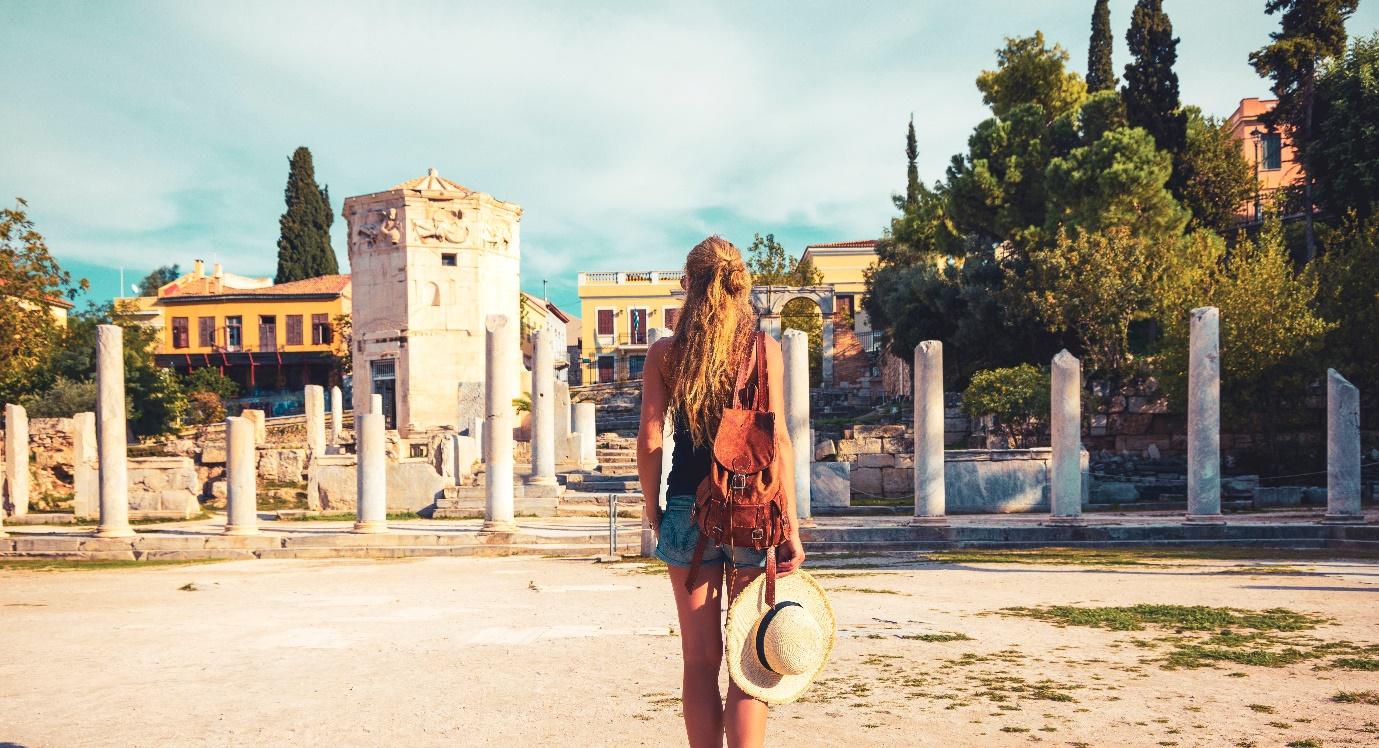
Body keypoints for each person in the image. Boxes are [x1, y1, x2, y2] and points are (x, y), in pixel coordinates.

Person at [636, 235, 806, 748]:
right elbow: (777, 441)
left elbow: (649, 439)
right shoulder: (763, 351)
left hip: (688, 513)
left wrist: (654, 511)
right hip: (753, 510)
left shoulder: (665, 353)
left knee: (700, 661)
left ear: (688, 285)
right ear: (740, 286)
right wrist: (792, 526)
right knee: (748, 656)